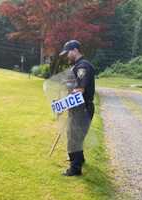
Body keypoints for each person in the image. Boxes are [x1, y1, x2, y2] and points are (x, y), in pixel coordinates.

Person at [59, 40, 95, 176]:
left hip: (82, 109)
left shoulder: (82, 67)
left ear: (74, 50)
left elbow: (79, 90)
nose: (67, 56)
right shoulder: (78, 66)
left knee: (74, 137)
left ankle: (75, 169)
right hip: (78, 108)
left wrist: (64, 103)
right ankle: (79, 159)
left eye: (68, 52)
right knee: (75, 136)